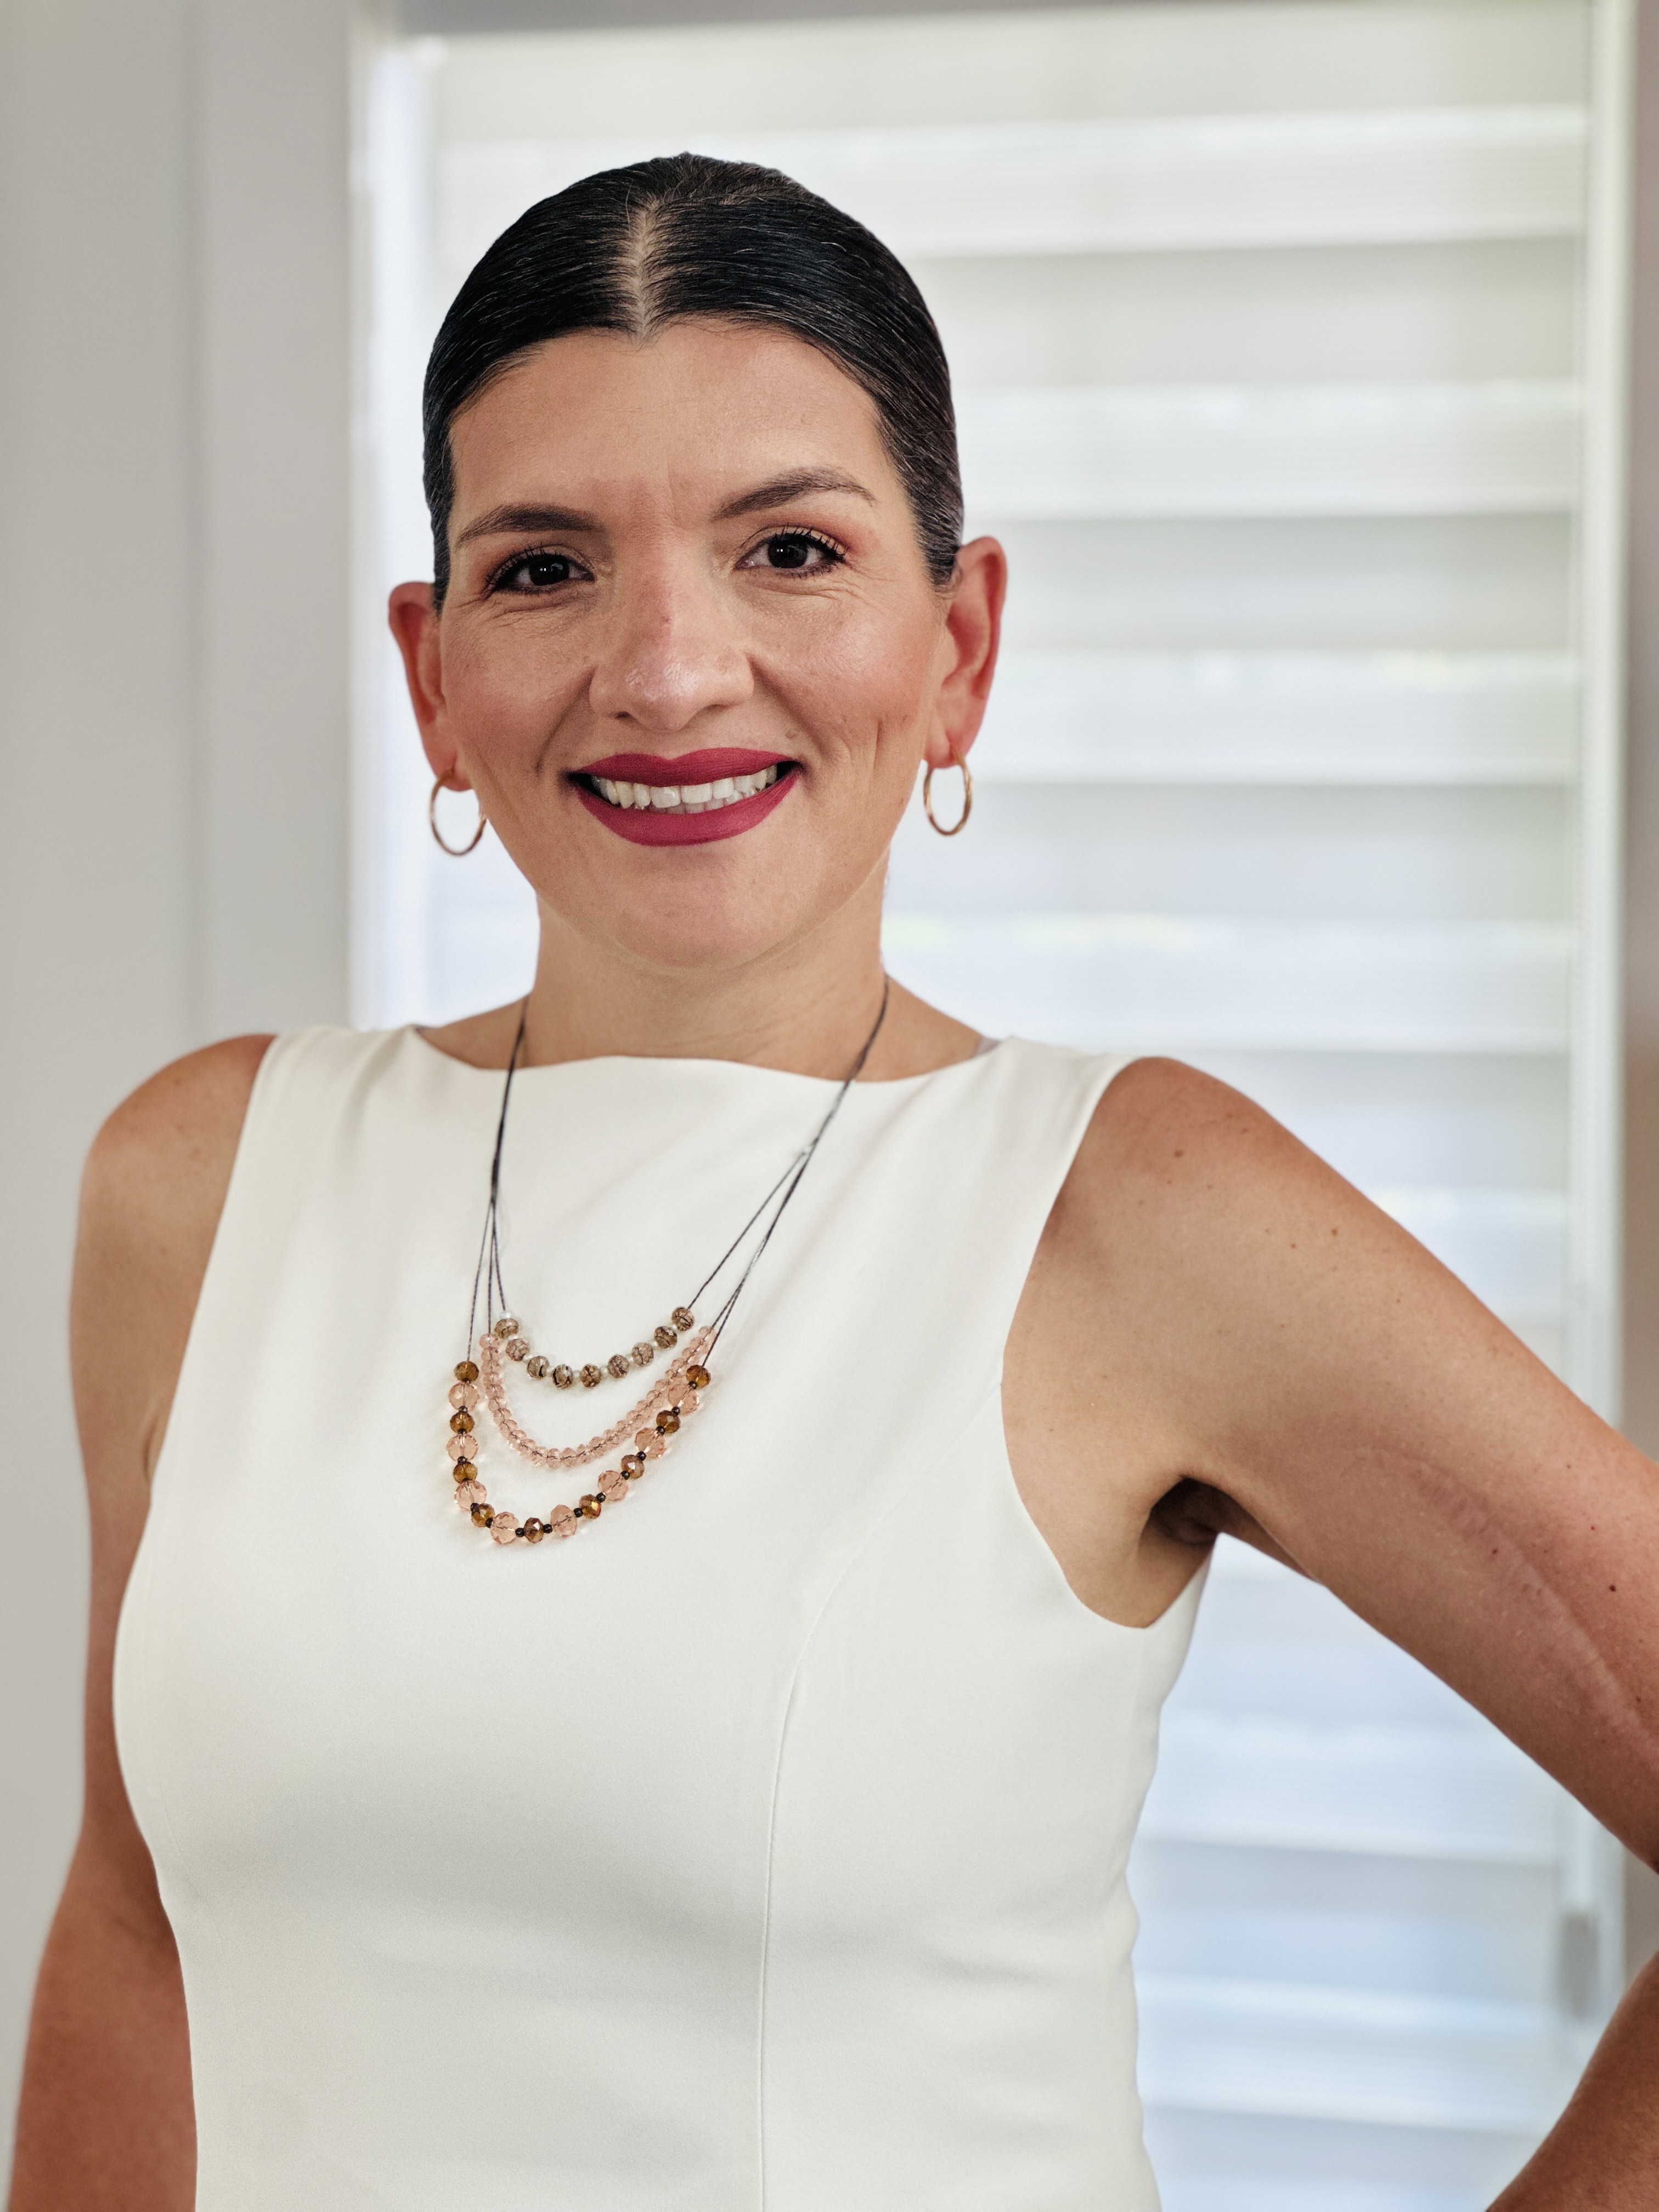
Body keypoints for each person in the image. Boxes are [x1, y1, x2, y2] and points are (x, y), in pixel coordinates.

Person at [9, 153, 1658, 2212]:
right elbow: (136, 1926)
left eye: (788, 547)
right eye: (545, 570)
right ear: (434, 679)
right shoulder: (199, 1180)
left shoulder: (1128, 1208)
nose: (671, 672)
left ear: (960, 642)